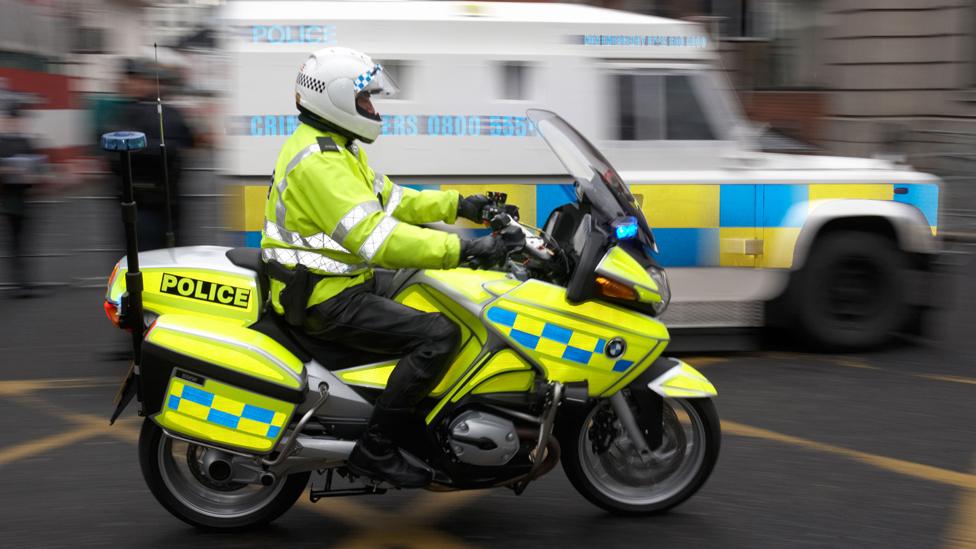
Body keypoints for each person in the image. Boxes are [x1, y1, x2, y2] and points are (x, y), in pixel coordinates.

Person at [261, 47, 510, 487]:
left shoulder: (336, 150)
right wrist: (465, 250)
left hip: (335, 281)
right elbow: (379, 239)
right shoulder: (320, 163)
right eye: (365, 101)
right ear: (334, 100)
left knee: (434, 287)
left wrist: (461, 204)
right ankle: (376, 446)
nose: (373, 110)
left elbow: (394, 200)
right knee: (439, 334)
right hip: (325, 297)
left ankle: (419, 418)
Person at [111, 57, 196, 250]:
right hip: (162, 201)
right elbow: (189, 142)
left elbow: (115, 154)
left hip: (144, 202)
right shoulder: (172, 113)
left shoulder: (127, 115)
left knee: (143, 258)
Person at [0, 103, 44, 296]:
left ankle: (25, 283)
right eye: (12, 119)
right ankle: (21, 284)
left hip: (24, 200)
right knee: (15, 243)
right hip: (7, 200)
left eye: (18, 119)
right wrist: (7, 171)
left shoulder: (26, 141)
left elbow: (38, 168)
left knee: (22, 242)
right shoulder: (2, 142)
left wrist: (33, 174)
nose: (16, 123)